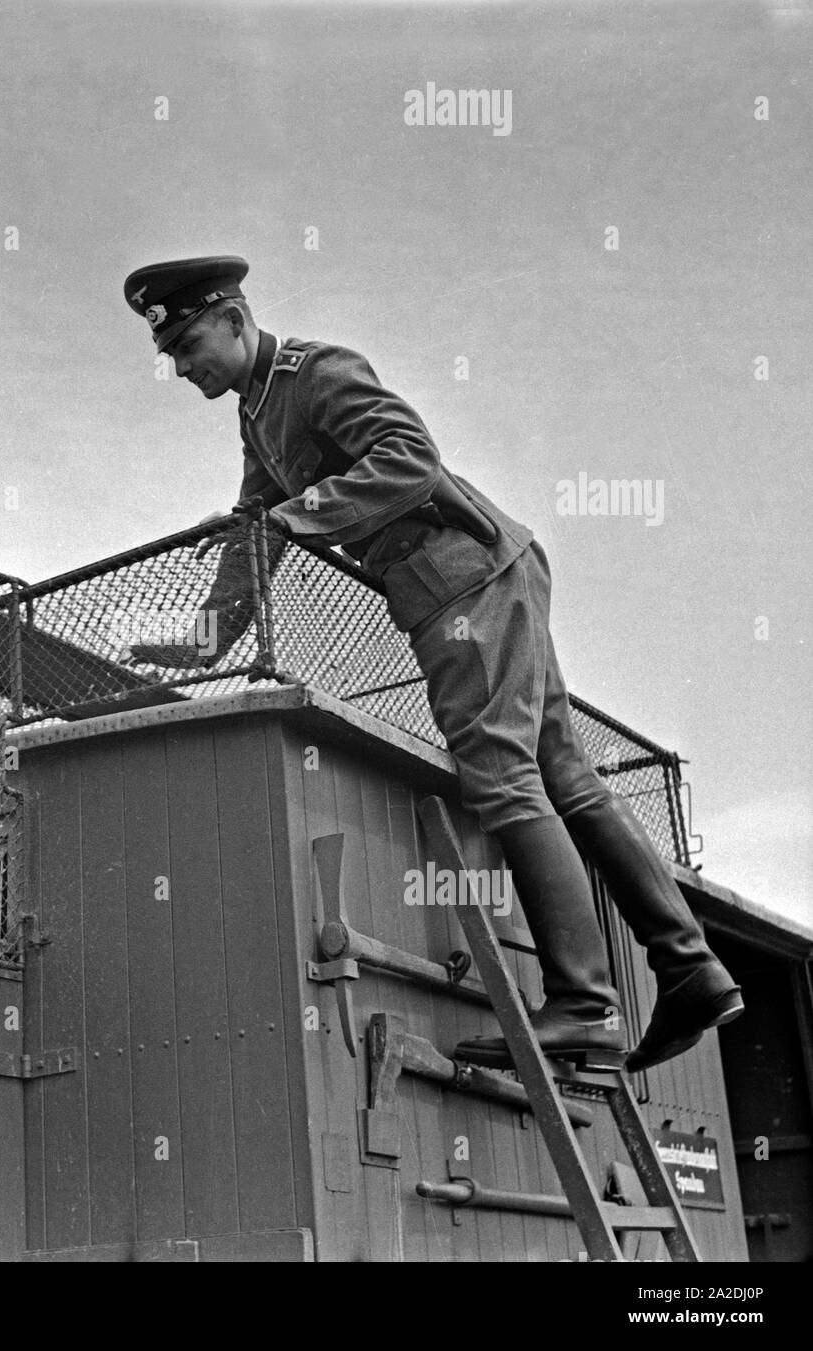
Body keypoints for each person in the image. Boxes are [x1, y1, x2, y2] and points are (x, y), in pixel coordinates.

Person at [121, 254, 743, 1072]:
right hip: (470, 580)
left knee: (502, 773)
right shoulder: (257, 417)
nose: (181, 364)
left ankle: (586, 1004)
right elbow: (255, 534)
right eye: (170, 355)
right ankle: (690, 968)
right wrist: (202, 639)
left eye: (190, 341)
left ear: (236, 320)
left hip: (463, 577)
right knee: (565, 774)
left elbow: (409, 457)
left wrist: (301, 512)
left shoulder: (317, 371)